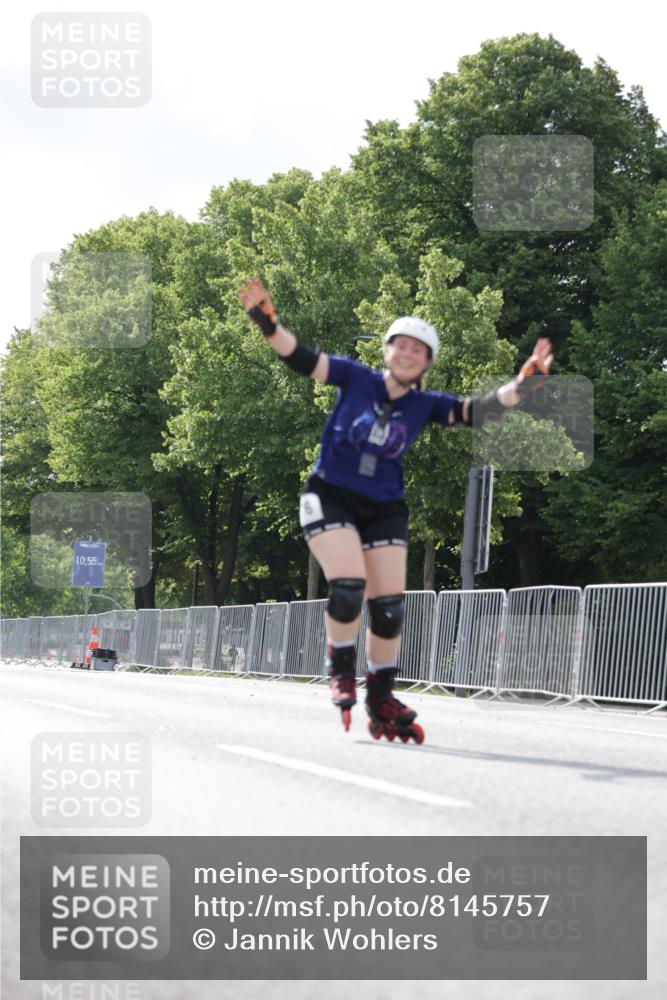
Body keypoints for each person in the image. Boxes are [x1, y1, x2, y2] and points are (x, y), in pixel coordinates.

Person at [239, 277, 553, 742]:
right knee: (348, 588)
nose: (407, 353)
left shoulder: (425, 405)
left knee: (387, 609)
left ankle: (380, 694)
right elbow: (301, 358)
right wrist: (268, 323)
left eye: (417, 350)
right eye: (400, 345)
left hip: (384, 507)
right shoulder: (355, 377)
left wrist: (523, 384)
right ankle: (341, 668)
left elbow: (479, 411)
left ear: (426, 362)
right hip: (330, 495)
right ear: (386, 351)